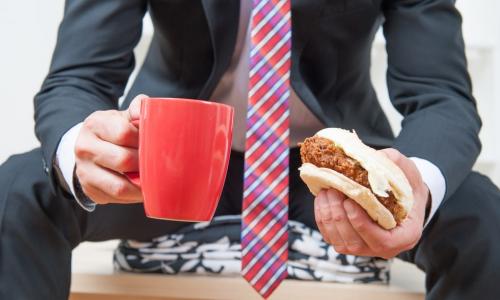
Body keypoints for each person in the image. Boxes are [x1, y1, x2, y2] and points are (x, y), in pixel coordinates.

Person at [1, 0, 499, 299]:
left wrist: (416, 182)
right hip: (172, 163)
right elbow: (76, 79)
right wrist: (81, 150)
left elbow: (442, 97)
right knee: (20, 188)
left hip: (326, 172)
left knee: (479, 212)